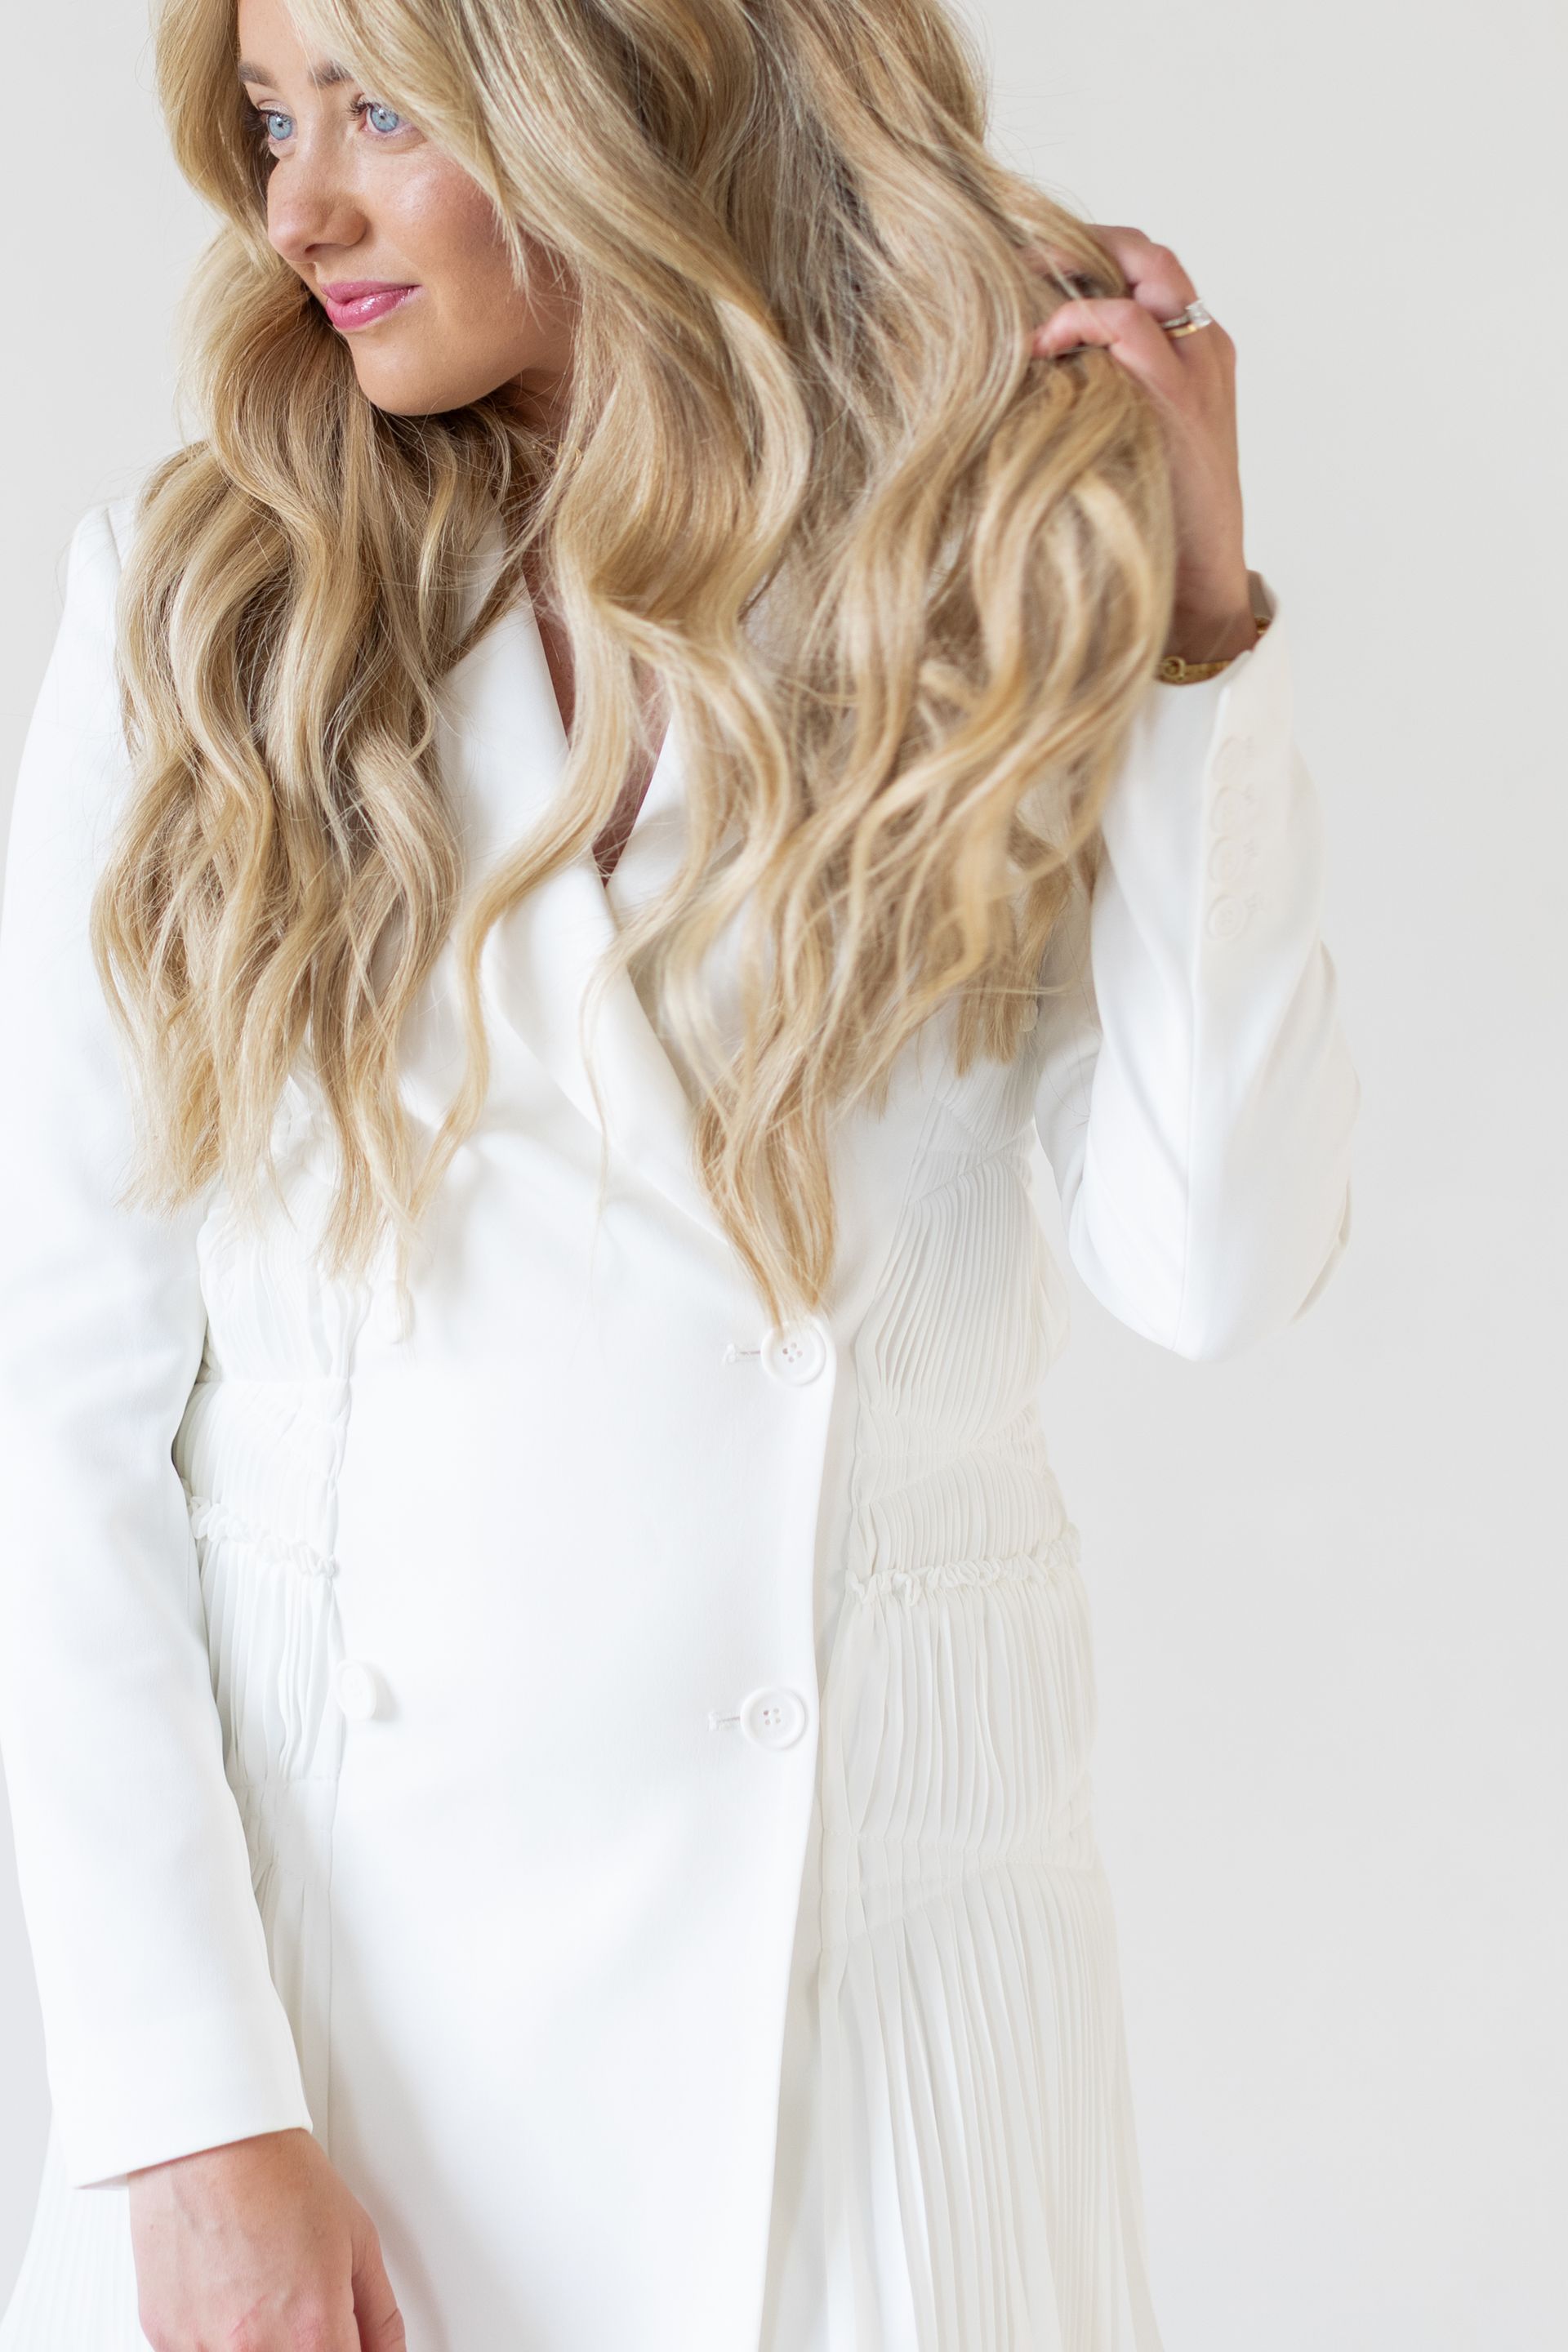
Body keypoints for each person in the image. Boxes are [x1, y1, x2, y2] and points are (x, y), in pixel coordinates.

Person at [0, 0, 1361, 2343]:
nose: (294, 202)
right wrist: (187, 2112)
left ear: (631, 89)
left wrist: (1196, 637)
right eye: (266, 117)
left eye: (383, 108)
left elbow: (1214, 1266)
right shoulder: (206, 609)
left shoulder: (981, 585)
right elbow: (61, 1406)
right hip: (342, 2048)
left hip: (881, 2038)